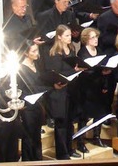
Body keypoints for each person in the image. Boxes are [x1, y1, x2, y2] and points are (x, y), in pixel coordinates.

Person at [43, 25, 81, 159]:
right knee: (61, 124)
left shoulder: (71, 50)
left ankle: (69, 149)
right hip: (58, 93)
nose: (70, 38)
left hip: (70, 91)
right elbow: (57, 73)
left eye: (70, 35)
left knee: (70, 122)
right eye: (66, 35)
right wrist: (74, 71)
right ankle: (62, 153)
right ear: (59, 37)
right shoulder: (53, 53)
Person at [76, 28, 110, 148]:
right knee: (84, 116)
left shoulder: (99, 51)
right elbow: (84, 72)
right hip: (86, 89)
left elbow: (103, 68)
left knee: (99, 114)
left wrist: (105, 83)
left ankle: (97, 137)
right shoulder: (82, 53)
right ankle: (80, 141)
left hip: (98, 87)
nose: (96, 39)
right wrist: (99, 72)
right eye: (92, 37)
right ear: (86, 39)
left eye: (96, 37)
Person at [19, 42, 49, 161]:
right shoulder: (20, 68)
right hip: (27, 108)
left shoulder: (37, 64)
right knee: (28, 138)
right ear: (26, 53)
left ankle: (38, 160)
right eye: (33, 51)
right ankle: (28, 162)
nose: (37, 54)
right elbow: (20, 89)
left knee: (37, 137)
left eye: (37, 50)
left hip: (38, 105)